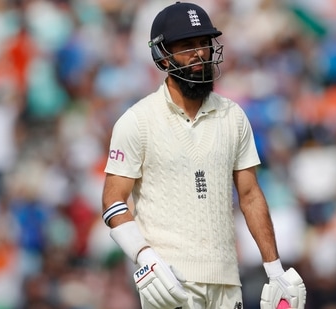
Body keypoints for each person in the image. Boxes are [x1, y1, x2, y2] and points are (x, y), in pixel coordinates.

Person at [101, 2, 306, 308]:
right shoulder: (138, 121)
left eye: (203, 44)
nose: (199, 54)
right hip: (169, 281)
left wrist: (274, 270)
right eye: (186, 46)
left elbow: (250, 195)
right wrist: (145, 258)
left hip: (226, 281)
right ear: (163, 56)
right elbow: (113, 201)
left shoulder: (233, 117)